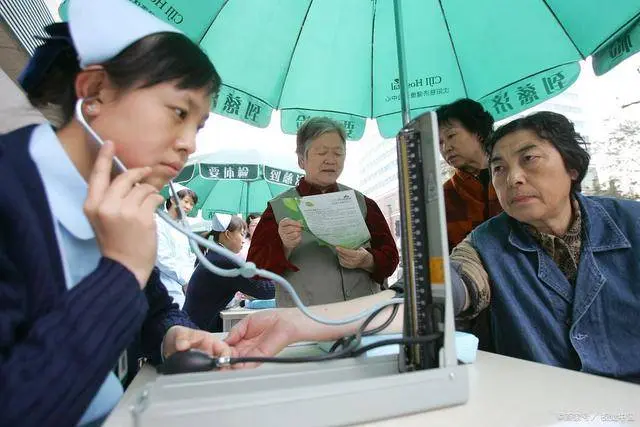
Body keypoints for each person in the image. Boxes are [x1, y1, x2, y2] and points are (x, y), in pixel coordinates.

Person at [227, 112, 640, 383]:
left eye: (529, 159)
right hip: (325, 338)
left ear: (572, 166)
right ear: (302, 158)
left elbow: (389, 262)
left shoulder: (631, 226)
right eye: (498, 168)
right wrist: (296, 321)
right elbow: (432, 294)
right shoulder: (486, 246)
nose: (512, 178)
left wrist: (369, 260)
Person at [0, 1, 232, 425]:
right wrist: (122, 269)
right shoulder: (10, 192)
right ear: (95, 93)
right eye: (179, 113)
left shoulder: (121, 198)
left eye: (198, 126)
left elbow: (154, 306)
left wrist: (172, 335)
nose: (189, 145)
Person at [248, 117, 399, 307]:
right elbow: (254, 270)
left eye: (338, 153)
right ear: (302, 160)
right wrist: (284, 246)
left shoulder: (363, 203)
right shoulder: (279, 209)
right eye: (321, 152)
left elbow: (391, 258)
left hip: (362, 319)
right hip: (304, 324)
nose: (331, 160)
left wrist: (367, 260)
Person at [184, 214, 275, 332]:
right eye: (241, 234)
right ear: (227, 234)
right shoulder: (224, 261)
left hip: (192, 326)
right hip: (198, 331)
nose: (243, 239)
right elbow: (265, 291)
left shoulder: (214, 255)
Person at [437, 99, 502, 250]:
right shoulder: (442, 197)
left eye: (451, 135)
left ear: (478, 133)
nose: (446, 147)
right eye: (439, 142)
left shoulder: (513, 177)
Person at [156, 185, 198, 308]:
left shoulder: (183, 227)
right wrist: (185, 279)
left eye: (191, 204)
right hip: (166, 285)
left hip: (184, 287)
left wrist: (190, 279)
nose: (188, 207)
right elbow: (161, 259)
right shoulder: (159, 223)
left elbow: (189, 256)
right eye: (186, 202)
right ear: (173, 199)